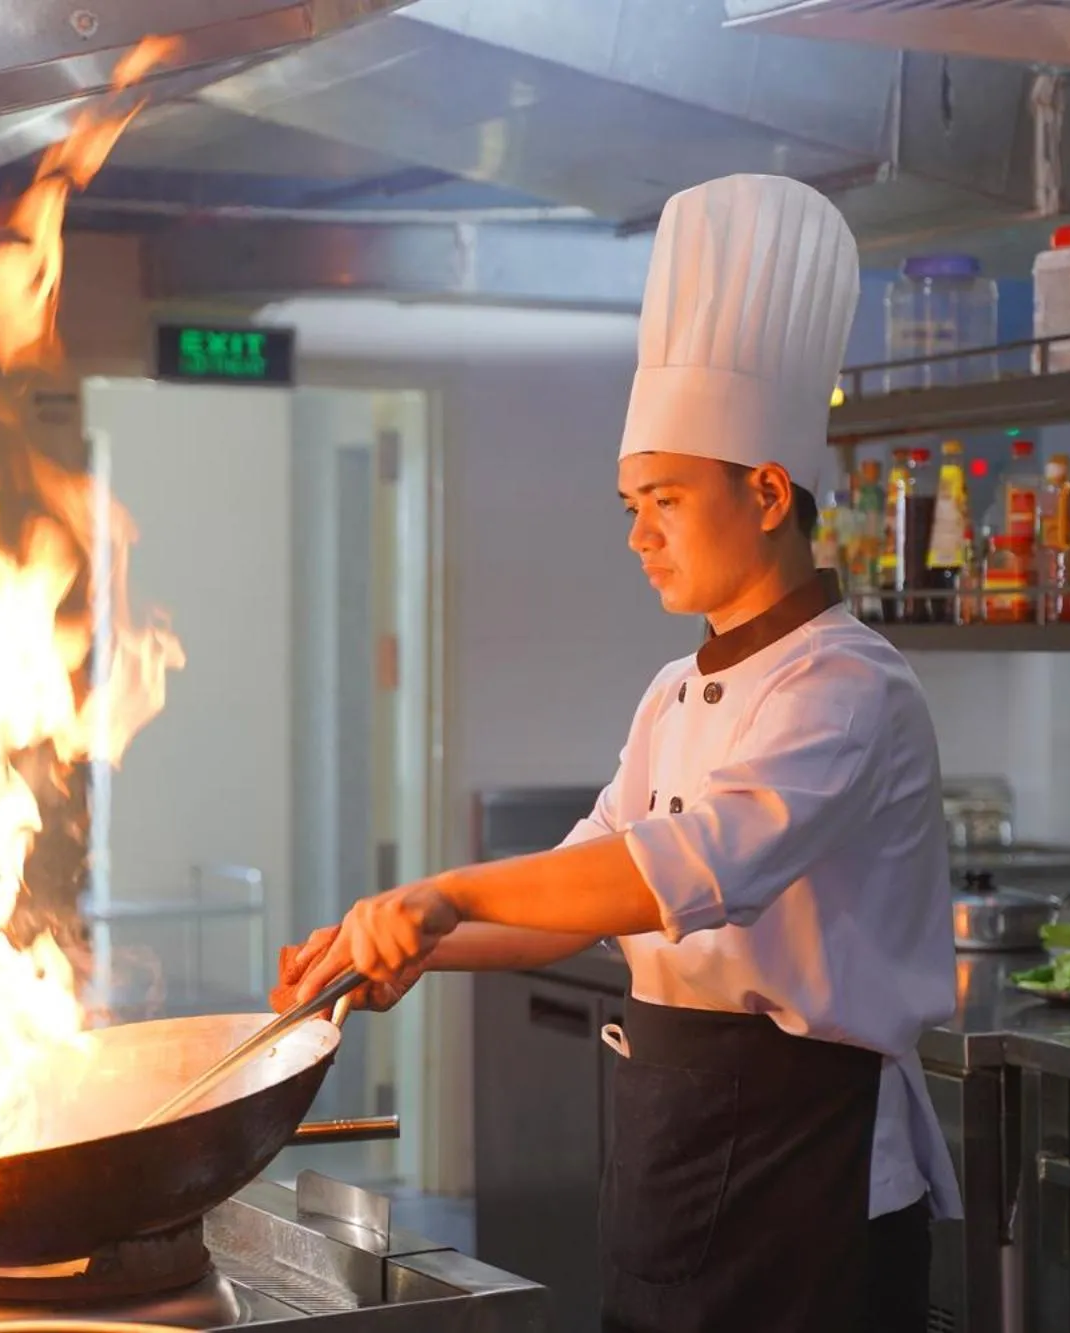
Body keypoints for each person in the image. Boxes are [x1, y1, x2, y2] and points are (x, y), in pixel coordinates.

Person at [273, 173, 961, 1333]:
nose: (637, 532)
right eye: (627, 503)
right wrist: (389, 949)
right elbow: (587, 896)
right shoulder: (674, 690)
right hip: (678, 1139)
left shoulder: (845, 686)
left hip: (811, 1173)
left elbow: (682, 869)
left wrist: (437, 894)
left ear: (765, 489)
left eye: (663, 500)